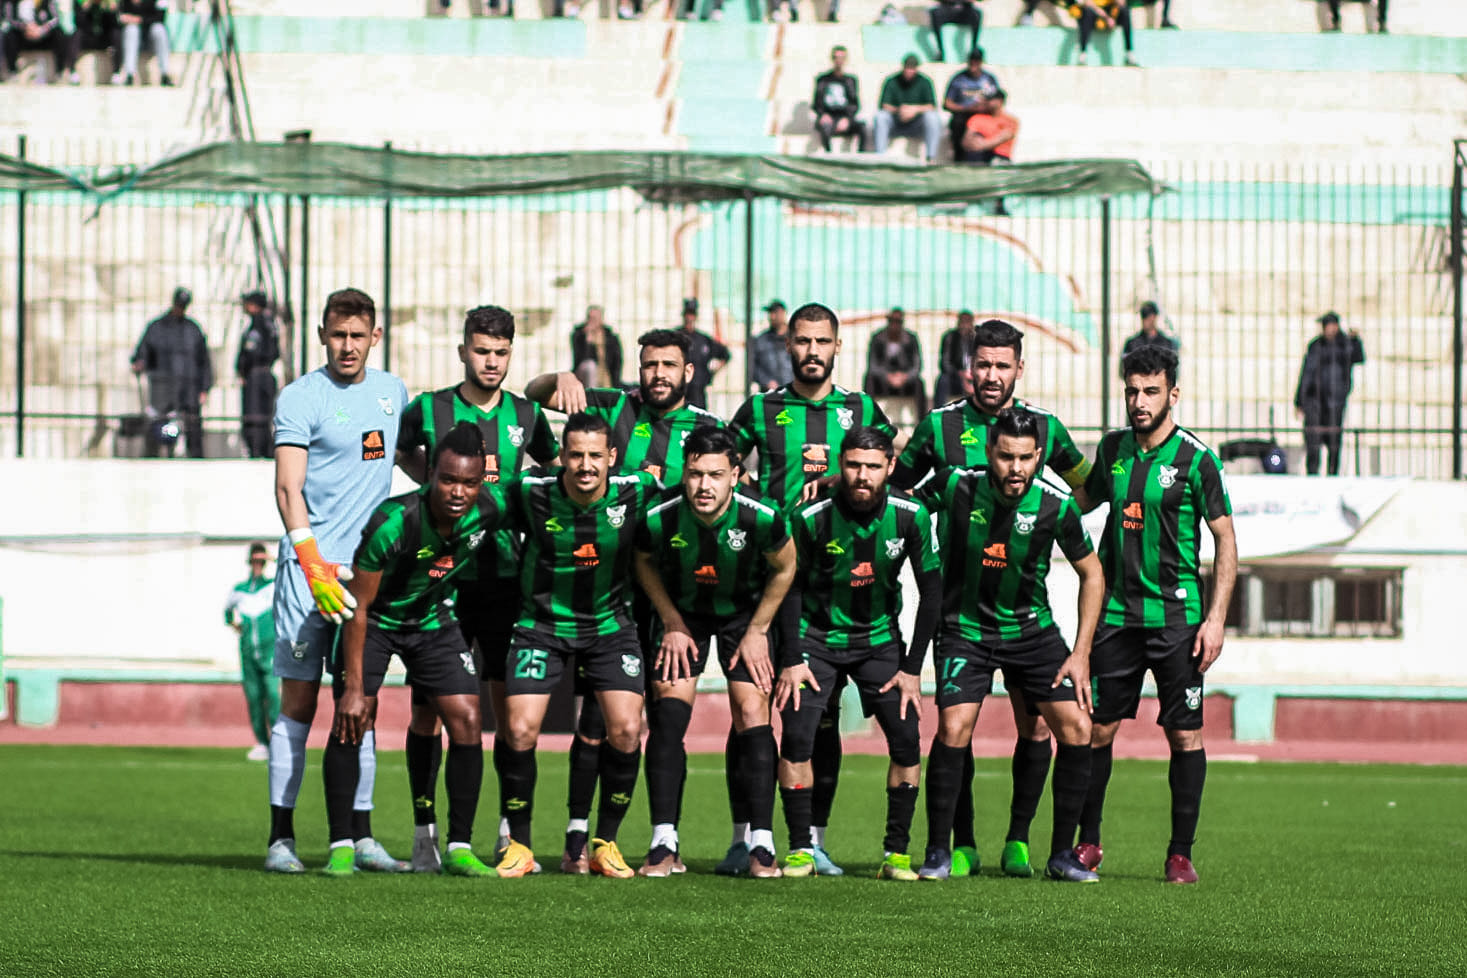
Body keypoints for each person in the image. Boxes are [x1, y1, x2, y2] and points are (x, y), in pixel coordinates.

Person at [892, 317, 1093, 879]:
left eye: (1003, 366)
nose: (992, 375)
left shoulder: (1045, 429)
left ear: (1018, 369)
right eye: (983, 364)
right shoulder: (939, 427)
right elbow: (900, 495)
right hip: (963, 617)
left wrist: (1048, 522)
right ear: (968, 366)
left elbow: (1086, 484)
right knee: (958, 726)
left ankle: (1023, 841)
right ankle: (956, 843)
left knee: (1038, 728)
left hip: (1030, 620)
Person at [730, 301, 896, 876]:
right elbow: (723, 463)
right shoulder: (761, 407)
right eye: (802, 341)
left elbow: (885, 466)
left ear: (837, 346)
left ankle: (811, 839)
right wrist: (756, 495)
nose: (811, 352)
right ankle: (746, 835)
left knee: (815, 717)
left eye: (822, 341)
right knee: (748, 710)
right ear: (788, 346)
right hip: (767, 582)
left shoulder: (860, 408)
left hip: (827, 590)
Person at [394, 304, 557, 873]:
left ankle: (508, 835)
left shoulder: (528, 416)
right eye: (482, 351)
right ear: (463, 351)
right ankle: (424, 834)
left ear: (511, 354)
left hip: (510, 583)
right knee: (428, 713)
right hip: (442, 585)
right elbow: (398, 449)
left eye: (501, 352)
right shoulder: (429, 408)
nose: (491, 362)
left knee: (506, 713)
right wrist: (440, 493)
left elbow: (554, 475)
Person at [1077, 344, 1237, 885]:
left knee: (1184, 734)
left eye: (1150, 391)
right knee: (1098, 729)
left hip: (1177, 621)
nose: (1139, 402)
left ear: (1173, 393)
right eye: (1131, 391)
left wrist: (1216, 618)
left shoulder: (1196, 460)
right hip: (1117, 618)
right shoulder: (1113, 450)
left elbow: (1225, 541)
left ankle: (1179, 853)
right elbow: (1080, 502)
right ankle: (1088, 844)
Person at [264, 287, 409, 875]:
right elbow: (286, 488)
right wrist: (312, 563)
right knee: (298, 704)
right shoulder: (300, 397)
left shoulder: (393, 393)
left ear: (375, 336)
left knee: (361, 701)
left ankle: (362, 835)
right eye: (337, 334)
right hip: (310, 573)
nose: (347, 346)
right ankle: (281, 839)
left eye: (358, 335)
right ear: (322, 334)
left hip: (365, 577)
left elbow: (413, 461)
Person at [492, 413, 662, 880]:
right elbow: (473, 506)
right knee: (520, 730)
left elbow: (691, 505)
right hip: (541, 626)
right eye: (575, 455)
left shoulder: (637, 491)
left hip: (610, 627)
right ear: (561, 456)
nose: (585, 466)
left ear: (611, 457)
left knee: (626, 731)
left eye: (594, 456)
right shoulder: (532, 492)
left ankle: (605, 842)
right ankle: (519, 846)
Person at [326, 423, 497, 878]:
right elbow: (357, 608)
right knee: (352, 719)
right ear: (429, 476)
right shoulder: (393, 521)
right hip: (375, 621)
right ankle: (341, 844)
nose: (458, 492)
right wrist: (354, 689)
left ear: (481, 482)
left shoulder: (491, 509)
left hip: (432, 622)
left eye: (469, 483)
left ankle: (459, 847)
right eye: (448, 480)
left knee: (466, 718)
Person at [776, 425, 940, 880]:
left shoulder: (912, 515)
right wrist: (791, 658)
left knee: (906, 740)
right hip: (816, 641)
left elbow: (932, 593)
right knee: (797, 736)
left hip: (879, 642)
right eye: (852, 465)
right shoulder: (809, 517)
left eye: (872, 466)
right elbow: (789, 589)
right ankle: (800, 850)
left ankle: (896, 855)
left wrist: (912, 669)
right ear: (839, 466)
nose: (861, 476)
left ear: (890, 467)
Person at [633, 427, 798, 878]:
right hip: (683, 617)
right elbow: (643, 561)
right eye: (695, 474)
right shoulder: (659, 516)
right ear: (683, 474)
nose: (704, 485)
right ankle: (664, 841)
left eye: (715, 475)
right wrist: (669, 621)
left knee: (751, 712)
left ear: (735, 475)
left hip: (742, 619)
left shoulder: (763, 516)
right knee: (668, 714)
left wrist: (759, 630)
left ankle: (761, 844)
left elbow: (786, 567)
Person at [131, 286, 212, 459]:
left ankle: (196, 460)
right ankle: (155, 458)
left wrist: (204, 388)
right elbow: (143, 352)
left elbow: (204, 361)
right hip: (163, 388)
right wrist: (139, 363)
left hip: (189, 387)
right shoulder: (157, 328)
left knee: (192, 427)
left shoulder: (193, 329)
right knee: (159, 427)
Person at [224, 543, 279, 763]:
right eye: (255, 561)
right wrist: (233, 624)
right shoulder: (239, 590)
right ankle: (261, 742)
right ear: (249, 562)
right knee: (254, 698)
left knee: (274, 695)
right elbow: (227, 611)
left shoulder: (273, 586)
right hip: (248, 652)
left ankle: (278, 741)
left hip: (270, 650)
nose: (258, 565)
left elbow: (292, 579)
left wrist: (273, 560)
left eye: (261, 561)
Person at [1294, 311, 1365, 476]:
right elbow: (1306, 373)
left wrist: (1356, 341)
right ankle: (1313, 476)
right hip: (1314, 401)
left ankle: (1333, 476)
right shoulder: (1316, 345)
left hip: (1334, 403)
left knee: (1333, 444)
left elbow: (1359, 357)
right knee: (1313, 443)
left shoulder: (1345, 345)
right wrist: (1299, 401)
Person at [872, 55, 942, 162]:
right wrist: (900, 110)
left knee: (933, 117)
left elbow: (931, 105)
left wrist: (914, 110)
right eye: (907, 67)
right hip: (896, 122)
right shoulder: (892, 81)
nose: (909, 71)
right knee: (881, 116)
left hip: (917, 124)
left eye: (912, 68)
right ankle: (880, 157)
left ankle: (930, 157)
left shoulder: (925, 82)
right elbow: (884, 105)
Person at [236, 290, 280, 460]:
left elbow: (251, 351)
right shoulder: (270, 324)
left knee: (254, 416)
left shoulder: (258, 325)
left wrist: (243, 368)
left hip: (256, 376)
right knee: (264, 416)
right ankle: (264, 449)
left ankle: (257, 450)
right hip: (264, 375)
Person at [865, 306, 927, 419]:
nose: (894, 325)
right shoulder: (877, 338)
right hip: (883, 381)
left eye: (898, 321)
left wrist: (905, 377)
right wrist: (887, 376)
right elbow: (872, 365)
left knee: (919, 384)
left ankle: (922, 422)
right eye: (892, 321)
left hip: (905, 381)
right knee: (869, 379)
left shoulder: (911, 339)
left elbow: (917, 366)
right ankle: (868, 420)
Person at [943, 50, 998, 163]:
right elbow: (947, 103)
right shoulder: (958, 79)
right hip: (963, 114)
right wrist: (967, 108)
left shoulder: (989, 79)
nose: (974, 64)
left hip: (983, 114)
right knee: (957, 123)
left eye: (976, 61)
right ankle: (958, 158)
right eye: (971, 61)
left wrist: (984, 106)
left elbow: (996, 100)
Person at [2, 1, 76, 84]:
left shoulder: (46, 2)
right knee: (9, 35)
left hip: (43, 35)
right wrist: (25, 27)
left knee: (59, 33)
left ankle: (60, 72)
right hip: (23, 35)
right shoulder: (13, 2)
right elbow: (9, 18)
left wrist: (42, 30)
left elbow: (55, 18)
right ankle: (12, 72)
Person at [675, 298, 730, 410]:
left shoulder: (703, 339)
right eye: (688, 314)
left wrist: (712, 373)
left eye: (692, 314)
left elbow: (725, 355)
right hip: (678, 390)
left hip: (698, 391)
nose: (689, 318)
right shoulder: (675, 337)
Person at [812, 46, 865, 153]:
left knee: (863, 128)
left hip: (845, 117)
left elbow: (855, 104)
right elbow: (816, 103)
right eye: (836, 57)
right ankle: (829, 156)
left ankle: (860, 157)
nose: (839, 60)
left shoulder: (851, 80)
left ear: (846, 60)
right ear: (832, 59)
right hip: (828, 117)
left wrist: (848, 119)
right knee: (825, 126)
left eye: (842, 58)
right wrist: (822, 115)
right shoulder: (822, 79)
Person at [113, 0, 171, 85]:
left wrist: (138, 19)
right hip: (133, 37)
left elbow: (160, 17)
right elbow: (120, 17)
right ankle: (130, 74)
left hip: (151, 36)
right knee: (131, 29)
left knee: (159, 29)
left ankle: (165, 74)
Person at [569, 305, 625, 391]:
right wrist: (588, 343)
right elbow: (579, 359)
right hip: (583, 375)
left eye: (595, 318)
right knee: (590, 366)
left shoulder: (610, 336)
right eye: (590, 318)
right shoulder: (579, 335)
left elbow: (617, 360)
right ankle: (591, 394)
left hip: (605, 374)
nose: (592, 321)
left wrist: (616, 382)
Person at [962, 89, 1019, 166]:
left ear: (1000, 101)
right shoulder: (976, 118)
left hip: (1000, 157)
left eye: (990, 99)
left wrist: (981, 143)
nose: (986, 102)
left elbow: (1001, 139)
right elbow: (966, 142)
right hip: (979, 155)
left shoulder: (1010, 121)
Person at [1072, 1, 1137, 67]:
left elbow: (1122, 3)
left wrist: (1113, 16)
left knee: (1125, 11)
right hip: (1095, 12)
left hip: (1110, 13)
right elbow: (1088, 3)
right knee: (1087, 12)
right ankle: (1082, 55)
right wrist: (1106, 17)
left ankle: (1129, 54)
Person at [750, 300, 794, 393]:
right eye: (770, 313)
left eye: (775, 313)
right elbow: (752, 367)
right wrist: (766, 381)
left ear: (783, 313)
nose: (772, 317)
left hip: (793, 393)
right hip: (769, 395)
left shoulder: (796, 339)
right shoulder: (760, 340)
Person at [933, 310, 975, 406]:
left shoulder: (976, 339)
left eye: (967, 322)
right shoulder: (950, 338)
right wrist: (959, 373)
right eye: (963, 321)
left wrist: (971, 374)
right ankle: (937, 413)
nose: (965, 325)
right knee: (942, 380)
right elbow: (944, 364)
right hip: (955, 377)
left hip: (973, 377)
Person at [929, 0, 982, 65]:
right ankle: (940, 52)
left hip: (965, 9)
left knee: (977, 14)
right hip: (947, 8)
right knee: (935, 13)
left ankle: (974, 51)